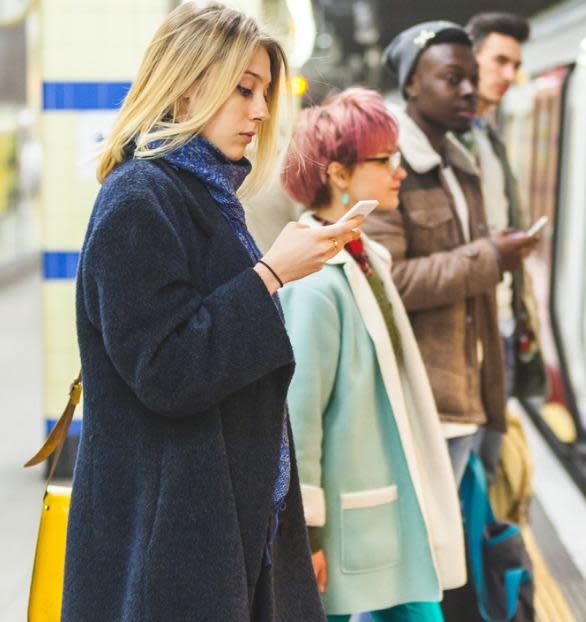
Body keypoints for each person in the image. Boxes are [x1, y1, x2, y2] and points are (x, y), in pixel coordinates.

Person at [64, 4, 362, 620]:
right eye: (243, 89)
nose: (259, 111)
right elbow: (167, 371)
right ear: (188, 83)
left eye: (264, 93)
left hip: (218, 522)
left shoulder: (198, 192)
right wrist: (273, 273)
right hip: (171, 539)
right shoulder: (139, 200)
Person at [279, 88, 466, 622]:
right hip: (348, 522)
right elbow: (300, 415)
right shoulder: (316, 283)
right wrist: (307, 531)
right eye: (383, 160)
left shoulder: (362, 255)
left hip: (379, 508)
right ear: (337, 174)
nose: (399, 171)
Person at [365, 21, 537, 484]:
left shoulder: (459, 166)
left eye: (471, 79)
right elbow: (387, 282)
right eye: (451, 78)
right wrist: (491, 258)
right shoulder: (387, 165)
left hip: (470, 396)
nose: (469, 90)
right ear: (412, 84)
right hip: (425, 407)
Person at [462, 12, 547, 479]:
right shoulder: (448, 142)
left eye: (515, 65)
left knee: (488, 467)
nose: (510, 75)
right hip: (473, 334)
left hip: (503, 324)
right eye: (499, 61)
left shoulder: (487, 137)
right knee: (473, 471)